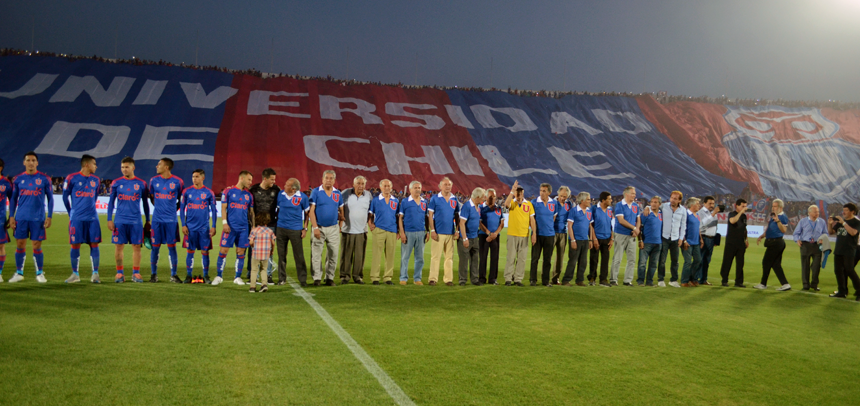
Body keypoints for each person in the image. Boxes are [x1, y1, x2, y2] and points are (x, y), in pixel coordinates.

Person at [6, 152, 53, 283]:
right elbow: (14, 199)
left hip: (37, 218)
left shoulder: (44, 179)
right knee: (20, 244)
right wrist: (11, 216)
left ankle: (39, 273)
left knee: (36, 245)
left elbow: (50, 199)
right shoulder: (18, 179)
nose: (31, 162)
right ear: (24, 162)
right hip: (21, 217)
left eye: (33, 160)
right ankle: (19, 272)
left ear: (37, 163)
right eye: (28, 160)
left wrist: (49, 216)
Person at [106, 157, 150, 283]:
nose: (124, 170)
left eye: (126, 167)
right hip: (120, 221)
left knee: (137, 247)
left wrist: (147, 220)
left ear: (133, 168)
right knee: (119, 247)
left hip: (136, 221)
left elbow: (145, 204)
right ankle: (119, 273)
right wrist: (110, 219)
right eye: (122, 167)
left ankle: (136, 273)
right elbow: (110, 203)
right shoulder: (116, 183)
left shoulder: (141, 183)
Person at [62, 155, 102, 283]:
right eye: (94, 163)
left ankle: (95, 274)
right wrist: (71, 213)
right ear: (86, 164)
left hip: (92, 218)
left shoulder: (96, 180)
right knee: (75, 244)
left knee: (94, 244)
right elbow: (64, 197)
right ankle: (75, 274)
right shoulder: (71, 178)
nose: (96, 166)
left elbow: (94, 197)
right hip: (77, 218)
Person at [148, 158, 185, 283]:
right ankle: (153, 275)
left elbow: (182, 200)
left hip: (171, 220)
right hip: (157, 220)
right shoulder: (153, 181)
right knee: (155, 247)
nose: (156, 166)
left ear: (166, 167)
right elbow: (152, 198)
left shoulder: (178, 182)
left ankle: (173, 275)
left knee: (172, 247)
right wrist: (159, 208)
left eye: (159, 164)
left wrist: (173, 210)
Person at [215, 171, 254, 286]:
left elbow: (251, 213)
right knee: (223, 250)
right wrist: (224, 223)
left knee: (241, 252)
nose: (250, 182)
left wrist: (253, 228)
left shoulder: (249, 195)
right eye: (249, 179)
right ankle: (218, 276)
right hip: (230, 227)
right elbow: (223, 208)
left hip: (243, 229)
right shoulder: (228, 191)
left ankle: (237, 277)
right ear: (242, 178)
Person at [180, 169, 218, 283]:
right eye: (193, 177)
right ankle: (188, 275)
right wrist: (183, 224)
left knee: (205, 252)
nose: (194, 179)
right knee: (190, 251)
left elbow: (214, 211)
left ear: (203, 178)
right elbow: (182, 210)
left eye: (196, 176)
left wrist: (214, 226)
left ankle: (206, 276)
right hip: (190, 228)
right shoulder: (186, 192)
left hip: (204, 228)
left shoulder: (209, 192)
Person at [309, 170, 344, 286]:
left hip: (333, 228)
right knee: (316, 254)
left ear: (334, 180)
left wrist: (340, 226)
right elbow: (311, 211)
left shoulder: (337, 194)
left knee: (333, 254)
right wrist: (315, 228)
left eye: (331, 178)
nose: (329, 180)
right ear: (322, 179)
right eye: (327, 178)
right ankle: (317, 278)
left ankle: (329, 278)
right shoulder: (316, 192)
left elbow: (341, 211)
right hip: (319, 227)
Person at [248, 168, 280, 284]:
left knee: (269, 250)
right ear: (265, 178)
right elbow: (249, 207)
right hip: (255, 225)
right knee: (252, 249)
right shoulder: (254, 190)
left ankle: (268, 274)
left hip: (271, 224)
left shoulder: (276, 190)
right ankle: (252, 273)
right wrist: (252, 224)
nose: (274, 181)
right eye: (272, 179)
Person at [275, 178, 309, 286]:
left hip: (295, 230)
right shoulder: (281, 194)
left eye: (287, 185)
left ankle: (302, 280)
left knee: (299, 256)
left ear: (293, 189)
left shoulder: (303, 197)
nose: (284, 186)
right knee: (281, 255)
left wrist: (305, 228)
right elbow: (278, 210)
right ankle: (281, 279)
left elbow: (307, 213)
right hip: (281, 228)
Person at [339, 176, 372, 284]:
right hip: (347, 229)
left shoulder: (368, 195)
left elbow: (371, 211)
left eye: (363, 184)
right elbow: (338, 206)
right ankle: (344, 276)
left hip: (361, 231)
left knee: (359, 256)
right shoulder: (345, 193)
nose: (360, 186)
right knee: (346, 256)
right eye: (358, 183)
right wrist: (340, 220)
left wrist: (370, 223)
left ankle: (358, 277)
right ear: (353, 184)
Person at [427, 177, 460, 286]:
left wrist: (457, 230)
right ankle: (433, 279)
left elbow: (457, 216)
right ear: (440, 186)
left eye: (449, 185)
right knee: (435, 257)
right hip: (438, 232)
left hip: (450, 233)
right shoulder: (435, 199)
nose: (448, 186)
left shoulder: (454, 199)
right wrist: (432, 230)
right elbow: (430, 215)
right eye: (445, 184)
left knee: (449, 258)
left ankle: (448, 279)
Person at [754, 199, 791, 291]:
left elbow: (784, 230)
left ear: (780, 207)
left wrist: (778, 221)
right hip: (774, 242)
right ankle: (785, 284)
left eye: (775, 206)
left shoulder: (783, 217)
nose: (773, 208)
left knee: (766, 262)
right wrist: (762, 236)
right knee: (775, 264)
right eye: (773, 206)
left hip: (776, 242)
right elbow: (769, 228)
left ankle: (763, 284)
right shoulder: (774, 216)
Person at [503, 181, 535, 286]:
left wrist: (533, 233)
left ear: (523, 193)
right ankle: (508, 278)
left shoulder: (529, 204)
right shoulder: (512, 202)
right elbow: (506, 204)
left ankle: (518, 279)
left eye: (520, 192)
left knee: (522, 259)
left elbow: (532, 220)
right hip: (512, 233)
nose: (519, 194)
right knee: (511, 257)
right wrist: (512, 191)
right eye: (517, 192)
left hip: (524, 234)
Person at [368, 179, 399, 285]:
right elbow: (370, 214)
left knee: (390, 255)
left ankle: (388, 277)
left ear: (391, 187)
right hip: (379, 229)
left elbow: (398, 216)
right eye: (384, 186)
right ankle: (375, 277)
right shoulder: (376, 200)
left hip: (392, 230)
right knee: (377, 254)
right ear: (380, 187)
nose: (387, 188)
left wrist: (398, 230)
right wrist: (370, 223)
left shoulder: (395, 201)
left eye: (388, 186)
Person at [398, 181, 429, 285]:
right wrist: (402, 233)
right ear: (410, 189)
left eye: (419, 187)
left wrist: (428, 231)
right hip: (408, 232)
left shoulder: (424, 202)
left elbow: (426, 217)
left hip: (421, 232)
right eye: (415, 187)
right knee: (405, 257)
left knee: (420, 258)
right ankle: (403, 278)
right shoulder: (405, 202)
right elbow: (400, 218)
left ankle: (417, 279)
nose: (417, 189)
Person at [828, 203, 860, 300]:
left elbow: (853, 232)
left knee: (849, 270)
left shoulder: (856, 222)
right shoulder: (842, 222)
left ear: (852, 212)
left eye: (846, 210)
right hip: (839, 249)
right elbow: (831, 232)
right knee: (838, 271)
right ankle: (842, 291)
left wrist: (843, 223)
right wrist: (829, 224)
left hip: (849, 250)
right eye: (843, 210)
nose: (843, 212)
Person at [610, 186, 641, 286]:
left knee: (632, 259)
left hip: (632, 235)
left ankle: (627, 280)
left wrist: (637, 229)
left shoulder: (636, 206)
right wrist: (634, 228)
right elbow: (621, 220)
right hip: (620, 234)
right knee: (617, 258)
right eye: (632, 193)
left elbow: (638, 219)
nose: (634, 195)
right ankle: (613, 279)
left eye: (634, 194)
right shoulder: (619, 205)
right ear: (626, 194)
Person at [793, 205, 828, 291]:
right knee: (805, 266)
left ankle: (814, 284)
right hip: (805, 245)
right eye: (815, 212)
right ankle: (805, 285)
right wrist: (797, 240)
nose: (817, 213)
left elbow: (825, 233)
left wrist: (823, 239)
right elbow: (796, 233)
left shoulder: (822, 222)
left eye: (818, 212)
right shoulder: (803, 221)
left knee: (816, 266)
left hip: (817, 245)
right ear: (809, 213)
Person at [564, 191, 595, 286]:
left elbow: (590, 226)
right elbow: (569, 226)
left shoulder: (589, 211)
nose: (590, 201)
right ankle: (566, 280)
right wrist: (572, 240)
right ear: (582, 200)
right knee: (573, 261)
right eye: (588, 199)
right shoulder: (574, 211)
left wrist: (590, 239)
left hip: (585, 240)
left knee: (583, 262)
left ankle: (579, 280)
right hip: (575, 239)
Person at [530, 183, 557, 287]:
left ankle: (545, 281)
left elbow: (553, 217)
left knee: (547, 260)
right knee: (535, 258)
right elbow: (531, 219)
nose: (542, 193)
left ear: (549, 192)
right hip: (537, 235)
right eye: (541, 190)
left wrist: (549, 227)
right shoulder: (534, 203)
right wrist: (534, 233)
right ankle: (533, 280)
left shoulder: (554, 203)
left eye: (544, 191)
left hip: (550, 235)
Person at [458, 187, 486, 286]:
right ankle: (462, 280)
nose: (484, 198)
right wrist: (465, 238)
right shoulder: (467, 206)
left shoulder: (477, 206)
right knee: (464, 261)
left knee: (475, 260)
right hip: (466, 238)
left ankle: (474, 279)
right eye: (483, 197)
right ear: (477, 197)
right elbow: (462, 223)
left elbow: (477, 222)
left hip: (475, 237)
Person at [659, 191, 686, 288]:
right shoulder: (663, 206)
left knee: (675, 260)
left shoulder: (683, 210)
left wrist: (681, 238)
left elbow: (683, 225)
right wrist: (646, 207)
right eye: (671, 198)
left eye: (675, 198)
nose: (672, 200)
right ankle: (660, 279)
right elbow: (653, 207)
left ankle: (673, 280)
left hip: (675, 238)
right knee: (662, 260)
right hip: (664, 237)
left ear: (679, 200)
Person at [720, 199, 749, 287]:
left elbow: (744, 229)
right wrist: (741, 213)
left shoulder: (744, 217)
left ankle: (739, 282)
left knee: (740, 263)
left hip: (741, 242)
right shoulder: (731, 214)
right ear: (737, 205)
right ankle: (724, 280)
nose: (744, 208)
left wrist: (746, 239)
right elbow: (732, 221)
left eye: (745, 206)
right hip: (731, 242)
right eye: (742, 206)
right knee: (727, 261)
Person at [478, 189, 503, 285]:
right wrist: (489, 233)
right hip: (483, 236)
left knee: (495, 258)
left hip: (495, 236)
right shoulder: (481, 208)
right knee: (483, 257)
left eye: (494, 196)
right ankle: (482, 279)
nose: (492, 198)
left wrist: (495, 234)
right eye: (490, 196)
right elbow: (479, 223)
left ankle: (493, 279)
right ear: (485, 197)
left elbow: (502, 223)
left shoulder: (499, 208)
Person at [637, 196, 663, 286]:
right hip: (646, 242)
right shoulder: (645, 214)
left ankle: (649, 282)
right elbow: (639, 227)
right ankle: (640, 281)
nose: (653, 204)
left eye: (656, 202)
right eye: (652, 202)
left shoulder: (661, 214)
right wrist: (640, 240)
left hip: (658, 243)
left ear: (660, 204)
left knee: (653, 265)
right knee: (642, 263)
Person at [248, 213, 276, 293]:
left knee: (254, 270)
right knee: (264, 269)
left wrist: (253, 246)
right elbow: (273, 243)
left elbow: (251, 242)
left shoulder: (254, 230)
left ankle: (252, 287)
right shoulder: (270, 231)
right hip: (265, 253)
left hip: (256, 253)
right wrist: (272, 250)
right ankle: (264, 284)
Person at [590, 191, 613, 286]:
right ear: (603, 200)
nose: (611, 200)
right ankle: (592, 278)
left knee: (605, 260)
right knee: (594, 259)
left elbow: (611, 225)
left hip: (607, 237)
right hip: (597, 237)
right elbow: (591, 225)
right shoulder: (594, 209)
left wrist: (612, 238)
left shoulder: (610, 210)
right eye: (609, 199)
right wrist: (594, 239)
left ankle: (603, 280)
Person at [697, 196, 720, 285]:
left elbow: (714, 225)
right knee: (700, 259)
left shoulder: (713, 213)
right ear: (704, 203)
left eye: (713, 203)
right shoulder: (700, 212)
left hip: (711, 238)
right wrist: (713, 213)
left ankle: (703, 279)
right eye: (710, 203)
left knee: (707, 260)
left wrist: (715, 238)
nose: (712, 205)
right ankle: (695, 278)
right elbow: (702, 224)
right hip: (703, 237)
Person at [551, 186, 572, 284]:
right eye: (561, 196)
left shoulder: (569, 204)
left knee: (560, 257)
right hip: (552, 232)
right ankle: (546, 278)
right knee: (548, 256)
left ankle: (556, 278)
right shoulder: (552, 202)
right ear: (558, 194)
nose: (563, 198)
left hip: (563, 232)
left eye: (565, 196)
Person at [680, 197, 702, 287]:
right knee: (688, 262)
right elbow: (681, 228)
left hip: (696, 242)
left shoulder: (697, 215)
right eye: (697, 204)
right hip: (687, 242)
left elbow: (697, 229)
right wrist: (684, 240)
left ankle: (692, 279)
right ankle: (684, 281)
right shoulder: (686, 214)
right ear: (692, 205)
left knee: (698, 260)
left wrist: (701, 238)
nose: (699, 205)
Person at [0, 159, 13, 283]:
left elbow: (13, 200)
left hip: (0, 219)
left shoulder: (6, 183)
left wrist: (11, 216)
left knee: (0, 246)